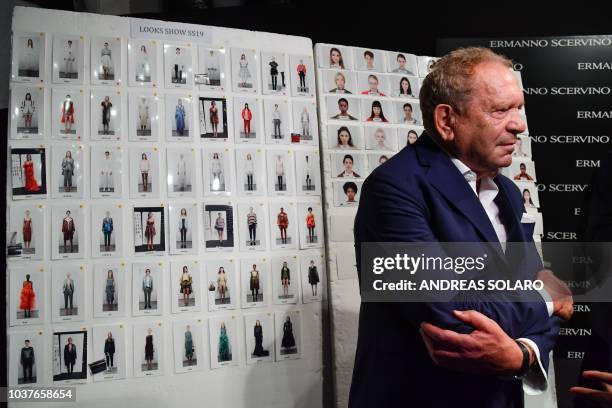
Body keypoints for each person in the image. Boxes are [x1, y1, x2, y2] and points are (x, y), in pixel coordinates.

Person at [349, 47, 572, 408]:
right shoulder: (392, 189)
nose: (519, 124)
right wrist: (548, 299)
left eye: (518, 108)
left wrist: (522, 355)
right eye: (501, 110)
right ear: (446, 121)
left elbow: (532, 304)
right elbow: (451, 315)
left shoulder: (510, 193)